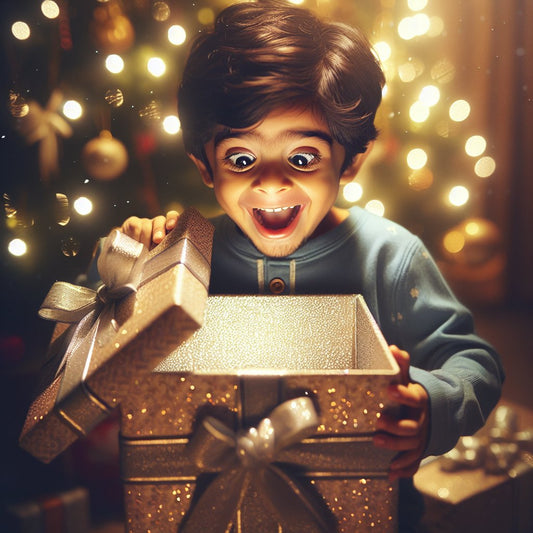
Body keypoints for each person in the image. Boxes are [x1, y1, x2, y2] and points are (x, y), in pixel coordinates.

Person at [119, 1, 504, 529]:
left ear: (350, 160)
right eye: (240, 158)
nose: (271, 183)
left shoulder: (390, 256)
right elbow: (102, 329)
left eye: (303, 158)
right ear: (205, 166)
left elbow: (473, 362)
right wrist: (127, 263)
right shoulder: (187, 250)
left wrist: (431, 406)